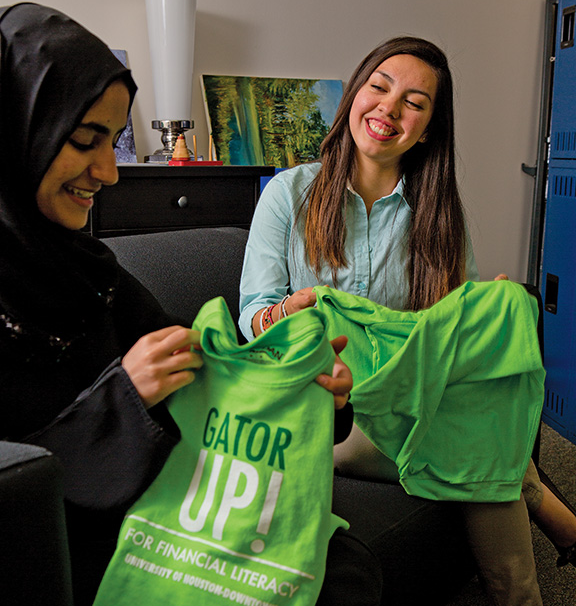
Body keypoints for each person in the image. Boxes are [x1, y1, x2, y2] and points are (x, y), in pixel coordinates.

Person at [0, 4, 375, 606]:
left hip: (172, 499)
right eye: (84, 140)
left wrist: (293, 380)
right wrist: (124, 397)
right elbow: (17, 481)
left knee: (343, 568)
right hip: (78, 541)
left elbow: (202, 363)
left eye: (114, 141)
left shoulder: (88, 267)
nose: (109, 172)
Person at [240, 36, 576, 605]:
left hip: (413, 396)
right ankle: (543, 513)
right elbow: (253, 317)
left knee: (490, 349)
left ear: (429, 127)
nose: (390, 109)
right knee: (478, 442)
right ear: (354, 95)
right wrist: (286, 312)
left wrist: (479, 309)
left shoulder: (439, 212)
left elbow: (453, 339)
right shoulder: (287, 195)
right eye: (379, 87)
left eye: (415, 102)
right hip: (326, 412)